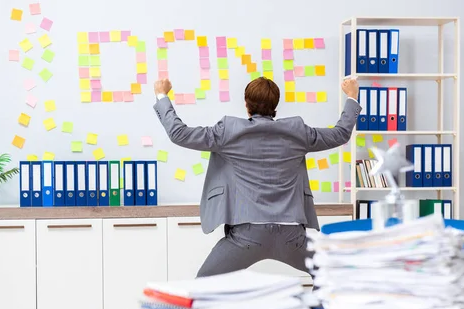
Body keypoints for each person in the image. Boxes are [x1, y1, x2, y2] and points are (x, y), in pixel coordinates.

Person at [153, 77, 361, 277]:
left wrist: (162, 95)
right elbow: (341, 134)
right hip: (291, 236)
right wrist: (352, 96)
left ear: (246, 104)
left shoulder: (228, 131)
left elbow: (179, 133)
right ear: (275, 105)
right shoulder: (298, 132)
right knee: (332, 275)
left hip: (246, 237)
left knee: (203, 285)